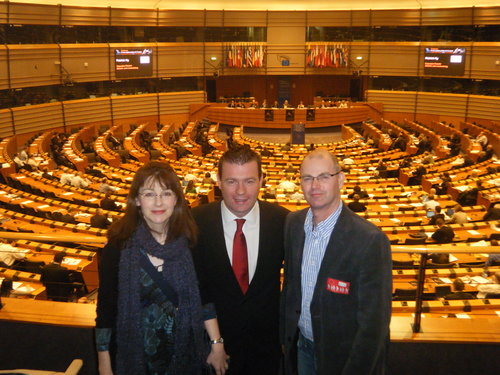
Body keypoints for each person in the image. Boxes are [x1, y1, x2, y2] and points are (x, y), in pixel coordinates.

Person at [95, 161, 229, 375]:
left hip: (186, 353)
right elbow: (106, 309)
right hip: (137, 356)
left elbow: (204, 297)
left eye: (166, 193)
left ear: (176, 199)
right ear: (137, 200)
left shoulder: (192, 241)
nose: (158, 202)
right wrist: (104, 362)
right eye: (149, 194)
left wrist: (217, 344)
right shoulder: (118, 247)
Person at [281, 148, 392, 375]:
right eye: (308, 178)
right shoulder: (293, 223)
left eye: (324, 177)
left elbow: (373, 324)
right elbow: (291, 286)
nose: (315, 186)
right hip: (301, 346)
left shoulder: (369, 239)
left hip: (342, 357)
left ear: (340, 179)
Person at [192, 146, 289, 375]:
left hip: (267, 348)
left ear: (262, 180)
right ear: (218, 181)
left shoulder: (283, 221)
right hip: (213, 348)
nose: (241, 191)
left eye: (249, 181)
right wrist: (215, 342)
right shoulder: (195, 222)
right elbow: (196, 287)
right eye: (231, 181)